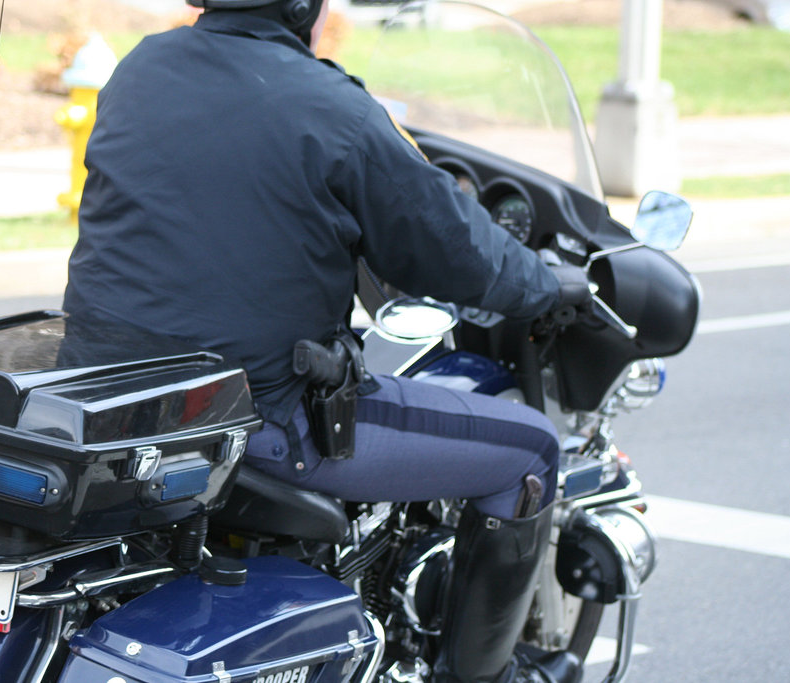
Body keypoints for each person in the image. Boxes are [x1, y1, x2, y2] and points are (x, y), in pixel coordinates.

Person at [63, 1, 588, 681]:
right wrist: (545, 284)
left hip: (119, 404)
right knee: (530, 450)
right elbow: (452, 247)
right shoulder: (331, 106)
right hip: (262, 422)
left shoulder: (142, 67)